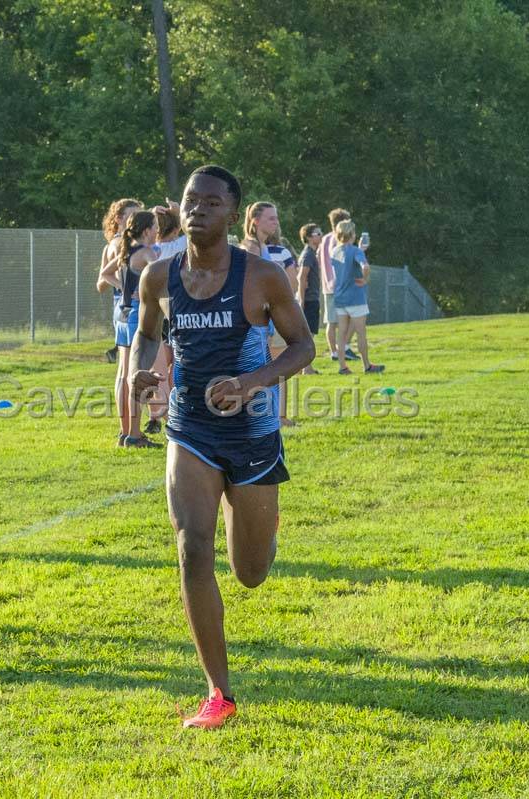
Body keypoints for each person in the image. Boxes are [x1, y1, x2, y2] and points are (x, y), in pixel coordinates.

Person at [129, 165, 315, 729]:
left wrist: (250, 384)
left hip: (253, 432)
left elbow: (302, 347)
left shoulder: (261, 276)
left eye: (211, 202)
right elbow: (146, 332)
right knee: (191, 547)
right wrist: (141, 371)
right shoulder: (158, 277)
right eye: (191, 200)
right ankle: (219, 693)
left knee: (251, 572)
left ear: (232, 214)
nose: (198, 209)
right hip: (190, 429)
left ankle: (262, 524)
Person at [103, 210, 161, 447]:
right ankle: (135, 435)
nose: (158, 230)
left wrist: (125, 289)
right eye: (156, 226)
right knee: (139, 376)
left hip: (122, 312)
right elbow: (164, 278)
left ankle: (125, 432)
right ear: (147, 230)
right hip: (137, 312)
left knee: (124, 376)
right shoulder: (147, 252)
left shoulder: (127, 250)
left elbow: (106, 274)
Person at [241, 202, 299, 426]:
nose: (276, 222)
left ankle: (279, 415)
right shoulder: (247, 249)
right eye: (270, 218)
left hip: (276, 315)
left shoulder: (275, 250)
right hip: (257, 317)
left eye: (276, 218)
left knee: (280, 365)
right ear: (255, 221)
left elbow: (291, 285)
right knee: (258, 366)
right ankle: (263, 414)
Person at [331, 219, 384, 374]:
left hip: (340, 297)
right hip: (355, 297)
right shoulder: (356, 251)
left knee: (341, 335)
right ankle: (366, 365)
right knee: (361, 333)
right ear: (352, 234)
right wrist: (365, 279)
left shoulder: (335, 251)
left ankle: (342, 367)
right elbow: (365, 266)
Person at [98, 199, 142, 365]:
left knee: (124, 366)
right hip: (130, 305)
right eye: (133, 215)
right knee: (134, 364)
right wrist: (125, 287)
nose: (137, 220)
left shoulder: (108, 246)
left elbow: (100, 284)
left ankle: (123, 392)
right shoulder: (123, 244)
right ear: (118, 218)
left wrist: (118, 284)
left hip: (119, 305)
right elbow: (103, 281)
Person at [317, 208, 358, 362]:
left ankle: (334, 351)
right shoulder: (339, 239)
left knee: (331, 321)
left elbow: (320, 260)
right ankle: (345, 346)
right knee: (354, 316)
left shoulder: (325, 239)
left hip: (328, 284)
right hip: (341, 284)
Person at [297, 224, 323, 374]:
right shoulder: (308, 254)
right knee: (308, 336)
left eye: (320, 233)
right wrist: (301, 301)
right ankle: (307, 368)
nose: (320, 235)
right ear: (308, 237)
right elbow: (301, 277)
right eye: (316, 233)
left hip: (311, 299)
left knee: (309, 335)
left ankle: (305, 367)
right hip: (309, 300)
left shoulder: (313, 253)